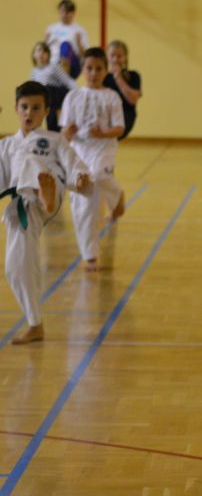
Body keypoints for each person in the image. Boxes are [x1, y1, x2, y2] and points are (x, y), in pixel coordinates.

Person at [0, 81, 90, 344]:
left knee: (35, 167)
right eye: (24, 107)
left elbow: (74, 163)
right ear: (16, 109)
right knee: (16, 267)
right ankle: (35, 324)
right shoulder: (7, 145)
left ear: (46, 111)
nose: (29, 112)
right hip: (21, 206)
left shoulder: (55, 139)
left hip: (52, 189)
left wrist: (80, 177)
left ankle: (44, 195)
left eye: (36, 108)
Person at [60, 47, 127, 271]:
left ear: (105, 71)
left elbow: (119, 128)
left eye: (99, 69)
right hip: (79, 151)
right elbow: (64, 133)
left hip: (104, 149)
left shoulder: (112, 96)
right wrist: (68, 132)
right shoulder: (73, 97)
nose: (93, 73)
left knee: (97, 175)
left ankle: (116, 196)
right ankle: (89, 255)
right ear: (82, 70)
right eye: (89, 68)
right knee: (83, 202)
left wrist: (102, 133)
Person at [29, 41, 78, 131]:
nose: (41, 53)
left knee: (52, 122)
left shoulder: (53, 68)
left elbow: (68, 81)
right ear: (34, 55)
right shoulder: (34, 72)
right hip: (42, 97)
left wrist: (77, 93)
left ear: (48, 55)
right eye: (38, 50)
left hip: (54, 96)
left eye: (44, 51)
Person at [103, 40, 142, 139]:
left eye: (119, 56)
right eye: (112, 56)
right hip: (106, 114)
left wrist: (118, 78)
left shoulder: (133, 76)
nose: (115, 59)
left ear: (125, 58)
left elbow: (132, 100)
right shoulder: (103, 77)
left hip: (125, 115)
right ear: (107, 57)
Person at [44, 0, 89, 79]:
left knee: (65, 45)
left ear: (73, 13)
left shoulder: (79, 30)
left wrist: (79, 43)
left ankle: (64, 77)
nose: (64, 14)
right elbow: (45, 50)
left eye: (67, 12)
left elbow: (85, 55)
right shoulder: (51, 29)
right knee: (40, 49)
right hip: (54, 63)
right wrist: (45, 42)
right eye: (62, 11)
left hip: (72, 65)